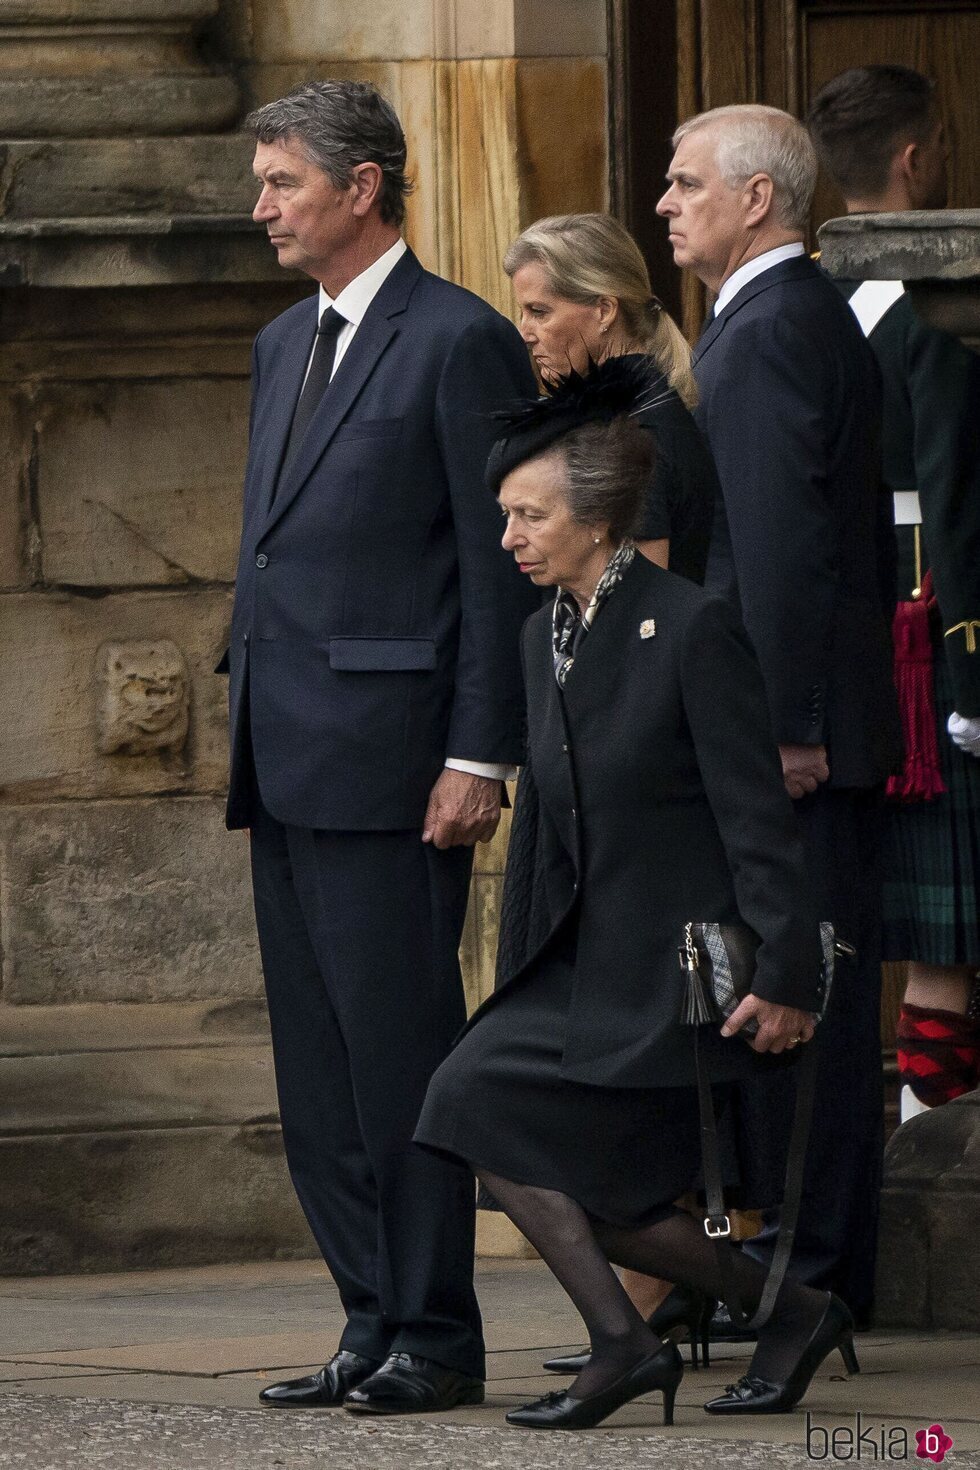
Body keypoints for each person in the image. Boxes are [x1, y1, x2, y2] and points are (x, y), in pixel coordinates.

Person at [414, 360, 856, 1429]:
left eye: (530, 515)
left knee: (519, 1137)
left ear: (598, 519)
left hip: (671, 967)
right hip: (579, 959)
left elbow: (756, 819)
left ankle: (655, 1339)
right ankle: (753, 1315)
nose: (510, 535)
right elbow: (551, 839)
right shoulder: (539, 636)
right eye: (505, 515)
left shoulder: (689, 626)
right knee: (479, 1113)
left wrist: (788, 971)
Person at [223, 80, 539, 1415]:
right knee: (319, 1068)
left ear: (363, 187)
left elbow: (494, 568)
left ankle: (436, 1331)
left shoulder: (459, 338)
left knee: (401, 1053)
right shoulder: (280, 341)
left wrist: (481, 754)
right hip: (283, 751)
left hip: (399, 761)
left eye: (282, 181)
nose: (261, 206)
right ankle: (366, 1316)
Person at [656, 104, 901, 1326]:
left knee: (801, 1007)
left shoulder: (762, 332)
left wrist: (788, 727)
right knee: (801, 1002)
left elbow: (783, 550)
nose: (663, 204)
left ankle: (803, 1287)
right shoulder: (786, 317)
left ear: (757, 199)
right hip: (802, 726)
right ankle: (796, 1278)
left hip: (793, 740)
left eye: (685, 182)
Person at [808, 65, 980, 1117]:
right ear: (915, 158)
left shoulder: (797, 295)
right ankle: (935, 1178)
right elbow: (956, 496)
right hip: (932, 628)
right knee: (944, 943)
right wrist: (965, 671)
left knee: (920, 936)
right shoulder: (939, 303)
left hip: (850, 634)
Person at [504, 212, 718, 584]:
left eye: (539, 312)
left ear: (604, 310)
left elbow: (638, 612)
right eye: (523, 313)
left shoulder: (635, 430)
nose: (525, 332)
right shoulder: (627, 413)